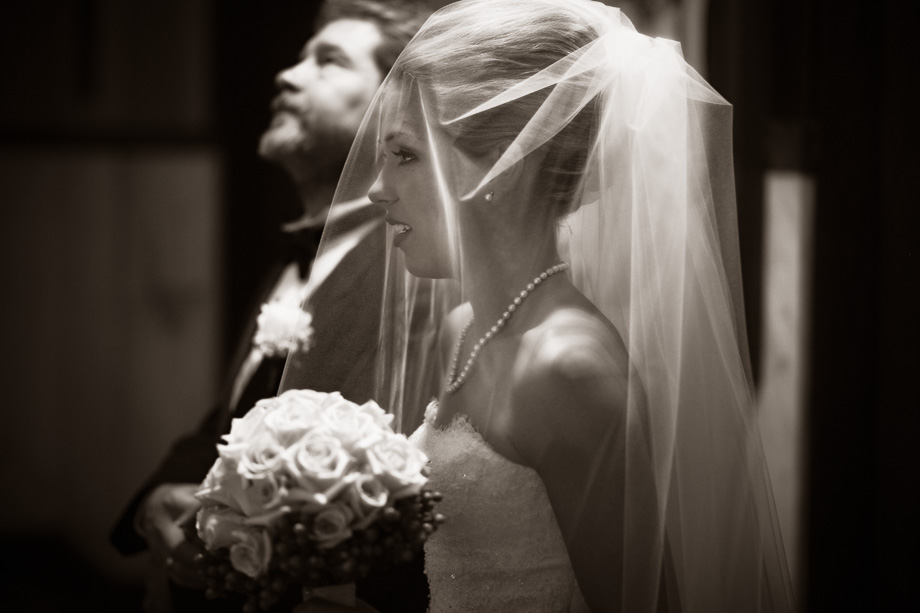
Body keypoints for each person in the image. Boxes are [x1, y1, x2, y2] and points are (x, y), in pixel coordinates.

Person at [292, 0, 795, 611]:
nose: (376, 190)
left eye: (405, 154)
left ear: (504, 163)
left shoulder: (569, 367)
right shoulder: (466, 327)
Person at [109, 2, 431, 612]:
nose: (286, 74)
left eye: (327, 61)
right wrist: (159, 498)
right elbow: (235, 416)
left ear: (390, 112)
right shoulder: (287, 265)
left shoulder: (412, 277)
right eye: (300, 55)